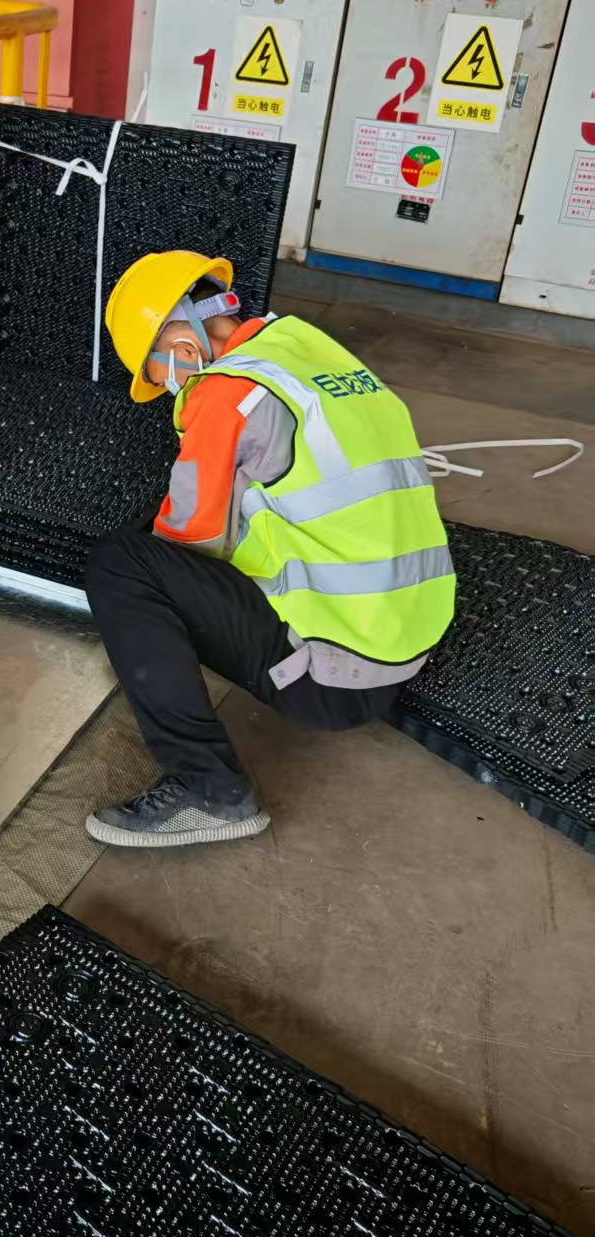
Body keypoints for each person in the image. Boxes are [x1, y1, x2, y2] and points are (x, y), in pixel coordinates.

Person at [84, 249, 455, 849]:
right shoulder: (309, 352)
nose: (171, 386)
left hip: (333, 681)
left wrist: (139, 628)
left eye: (160, 373)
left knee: (123, 567)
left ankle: (209, 790)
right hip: (405, 640)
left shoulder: (225, 392)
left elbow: (190, 540)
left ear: (180, 342)